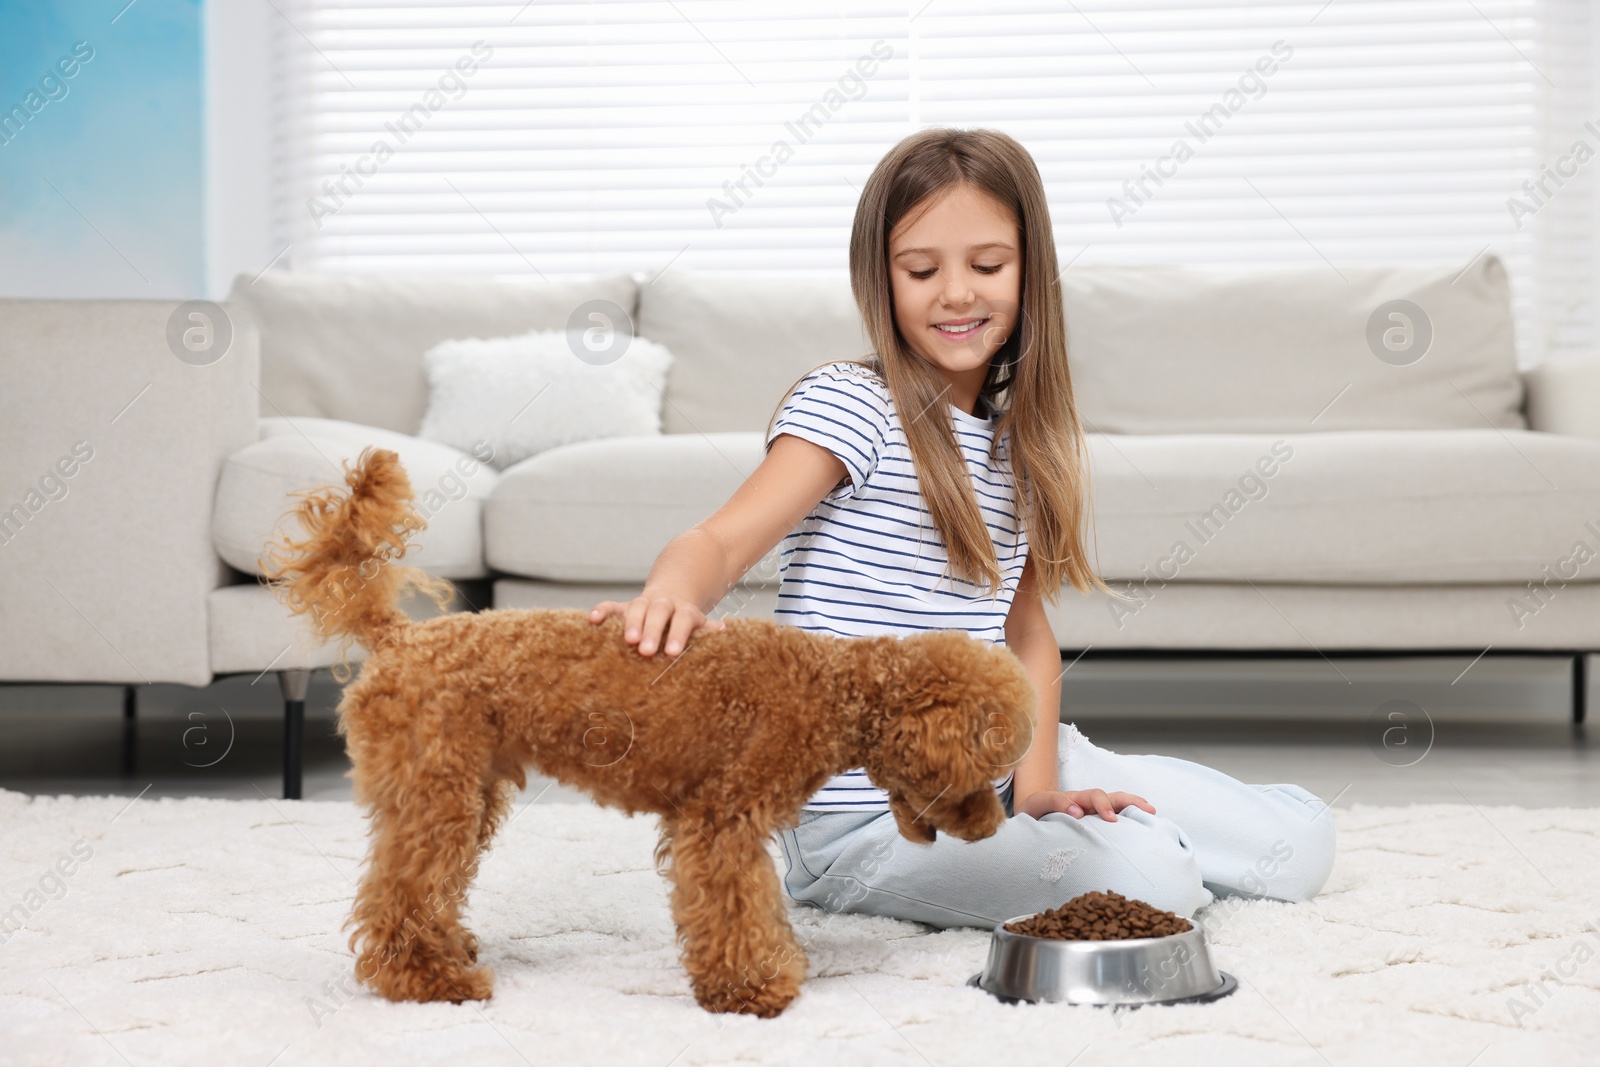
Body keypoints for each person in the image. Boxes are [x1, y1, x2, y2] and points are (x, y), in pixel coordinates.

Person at [589, 127, 1335, 928]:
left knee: (1302, 844)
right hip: (870, 821)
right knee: (1155, 882)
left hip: (1003, 768)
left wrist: (1043, 792)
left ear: (1029, 275)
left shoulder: (1019, 443)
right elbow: (720, 541)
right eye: (921, 269)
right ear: (882, 279)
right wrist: (672, 591)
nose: (956, 293)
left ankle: (1149, 834)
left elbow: (1029, 636)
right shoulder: (853, 404)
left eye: (987, 266)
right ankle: (1157, 848)